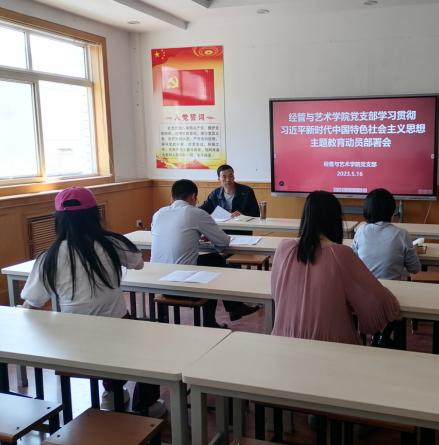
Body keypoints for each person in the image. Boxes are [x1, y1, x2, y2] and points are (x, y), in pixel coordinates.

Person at [20, 187, 165, 418]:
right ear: (95, 214)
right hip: (117, 328)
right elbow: (138, 264)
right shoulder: (112, 243)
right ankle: (146, 405)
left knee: (103, 343)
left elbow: (33, 302)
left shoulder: (49, 256)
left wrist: (21, 312)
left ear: (58, 219)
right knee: (155, 344)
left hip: (72, 340)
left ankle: (112, 393)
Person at [271, 190, 400, 345]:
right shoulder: (341, 254)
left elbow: (276, 294)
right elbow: (379, 301)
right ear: (335, 219)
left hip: (283, 342)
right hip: (332, 346)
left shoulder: (283, 247)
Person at [151, 179, 261, 325]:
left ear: (172, 197)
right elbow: (223, 241)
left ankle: (234, 308)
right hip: (181, 282)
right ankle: (220, 316)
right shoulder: (195, 213)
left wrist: (193, 236)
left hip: (157, 280)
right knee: (215, 262)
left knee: (211, 262)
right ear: (193, 196)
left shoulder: (158, 213)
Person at [352, 188, 421, 347]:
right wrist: (410, 252)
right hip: (392, 294)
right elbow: (415, 269)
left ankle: (375, 334)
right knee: (397, 295)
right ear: (391, 210)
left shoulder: (360, 230)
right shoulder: (402, 234)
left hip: (364, 292)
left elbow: (353, 261)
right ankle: (385, 334)